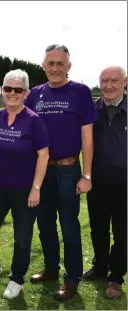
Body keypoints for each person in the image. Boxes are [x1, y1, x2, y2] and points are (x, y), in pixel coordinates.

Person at [24, 44, 98, 300]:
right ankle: (52, 269)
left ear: (69, 65)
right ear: (43, 66)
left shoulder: (80, 92)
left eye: (60, 63)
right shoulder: (35, 94)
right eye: (50, 63)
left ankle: (71, 278)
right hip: (42, 172)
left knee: (69, 227)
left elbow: (87, 139)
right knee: (45, 225)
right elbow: (23, 130)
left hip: (68, 171)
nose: (55, 68)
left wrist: (86, 175)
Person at [0, 69, 50, 300]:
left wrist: (36, 188)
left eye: (18, 89)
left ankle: (16, 279)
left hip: (24, 191)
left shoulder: (34, 121)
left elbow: (43, 155)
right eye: (8, 88)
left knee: (22, 238)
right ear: (2, 90)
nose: (12, 93)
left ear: (25, 93)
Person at [81, 66, 127, 299]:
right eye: (104, 81)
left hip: (125, 185)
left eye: (114, 81)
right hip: (96, 182)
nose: (108, 86)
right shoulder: (91, 109)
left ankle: (115, 278)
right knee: (98, 229)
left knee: (122, 234)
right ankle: (100, 267)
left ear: (124, 82)